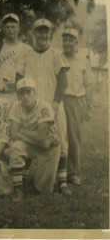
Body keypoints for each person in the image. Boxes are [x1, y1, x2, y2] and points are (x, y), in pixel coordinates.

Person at [15, 18, 72, 196]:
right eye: (39, 31)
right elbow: (18, 80)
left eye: (46, 31)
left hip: (53, 105)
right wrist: (24, 104)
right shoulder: (26, 54)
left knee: (60, 141)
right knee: (29, 140)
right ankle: (23, 178)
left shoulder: (56, 54)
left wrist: (54, 104)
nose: (43, 35)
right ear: (34, 33)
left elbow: (63, 81)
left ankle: (62, 182)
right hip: (32, 107)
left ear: (50, 33)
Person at [9, 78, 61, 202]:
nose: (25, 96)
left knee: (42, 191)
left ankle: (42, 181)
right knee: (16, 147)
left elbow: (41, 137)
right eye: (22, 93)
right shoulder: (16, 106)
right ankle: (18, 189)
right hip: (34, 144)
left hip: (50, 147)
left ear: (35, 93)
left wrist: (21, 130)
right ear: (18, 95)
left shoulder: (44, 107)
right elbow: (13, 134)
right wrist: (35, 138)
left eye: (29, 92)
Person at [61, 28, 93, 186]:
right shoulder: (58, 58)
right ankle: (59, 172)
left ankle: (73, 173)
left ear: (76, 42)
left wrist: (89, 107)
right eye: (65, 40)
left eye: (70, 40)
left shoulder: (82, 61)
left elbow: (89, 85)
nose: (67, 43)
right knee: (60, 136)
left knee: (74, 137)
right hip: (60, 100)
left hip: (76, 101)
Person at [0, 13, 30, 117]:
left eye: (13, 27)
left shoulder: (27, 49)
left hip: (18, 95)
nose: (10, 29)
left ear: (18, 28)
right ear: (3, 29)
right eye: (7, 27)